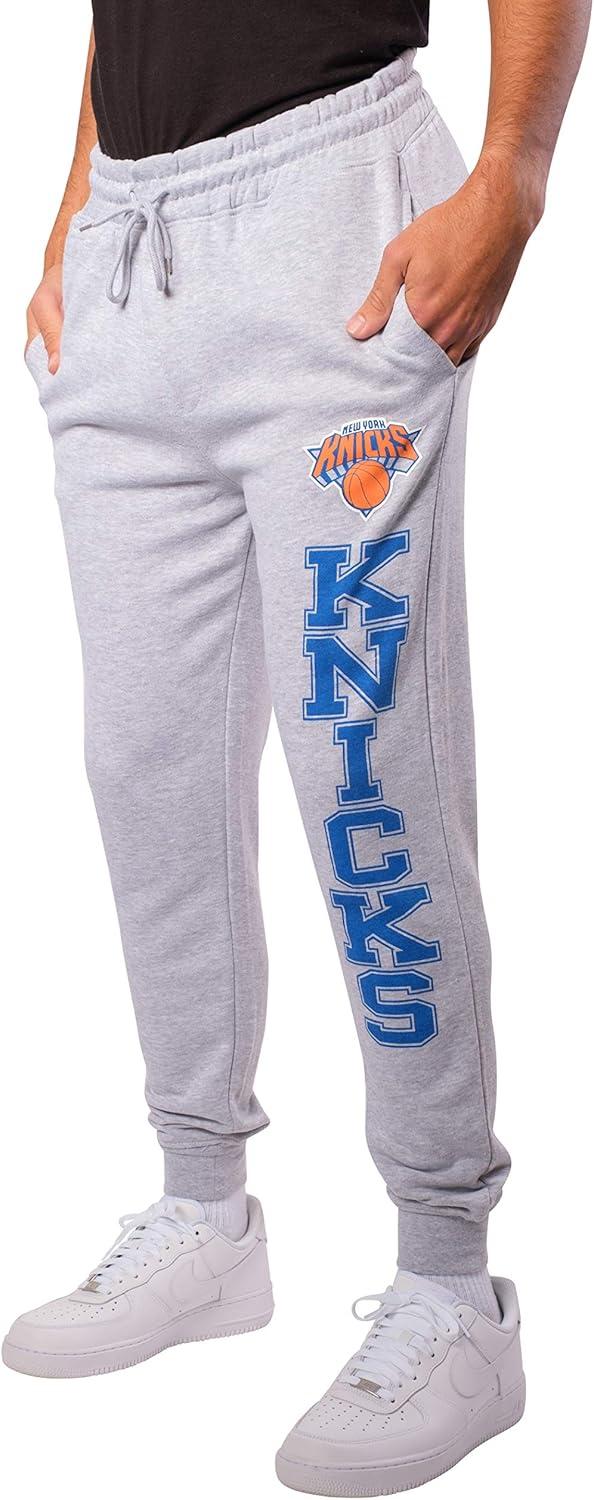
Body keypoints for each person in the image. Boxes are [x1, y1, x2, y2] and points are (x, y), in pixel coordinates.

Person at [3, 1, 589, 1492]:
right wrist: (74, 212)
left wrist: (513, 177)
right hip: (131, 253)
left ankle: (452, 1284)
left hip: (335, 217)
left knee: (366, 774)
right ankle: (204, 1208)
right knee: (145, 770)